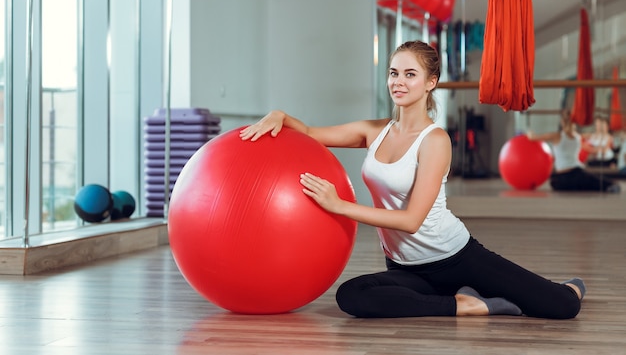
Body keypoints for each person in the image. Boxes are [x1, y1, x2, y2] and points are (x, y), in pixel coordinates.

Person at [240, 40, 585, 319]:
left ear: (430, 83)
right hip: (404, 266)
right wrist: (280, 115)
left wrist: (340, 206)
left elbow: (411, 220)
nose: (398, 82)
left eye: (410, 74)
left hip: (454, 256)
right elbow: (311, 133)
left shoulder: (435, 140)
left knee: (562, 307)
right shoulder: (373, 131)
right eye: (393, 73)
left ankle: (566, 286)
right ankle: (464, 305)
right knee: (352, 296)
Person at [527, 111, 621, 193]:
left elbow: (532, 138)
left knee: (556, 183)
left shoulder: (556, 136)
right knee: (592, 181)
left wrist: (529, 130)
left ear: (562, 122)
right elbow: (590, 138)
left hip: (563, 177)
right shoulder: (577, 137)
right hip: (576, 172)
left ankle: (609, 186)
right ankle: (611, 185)